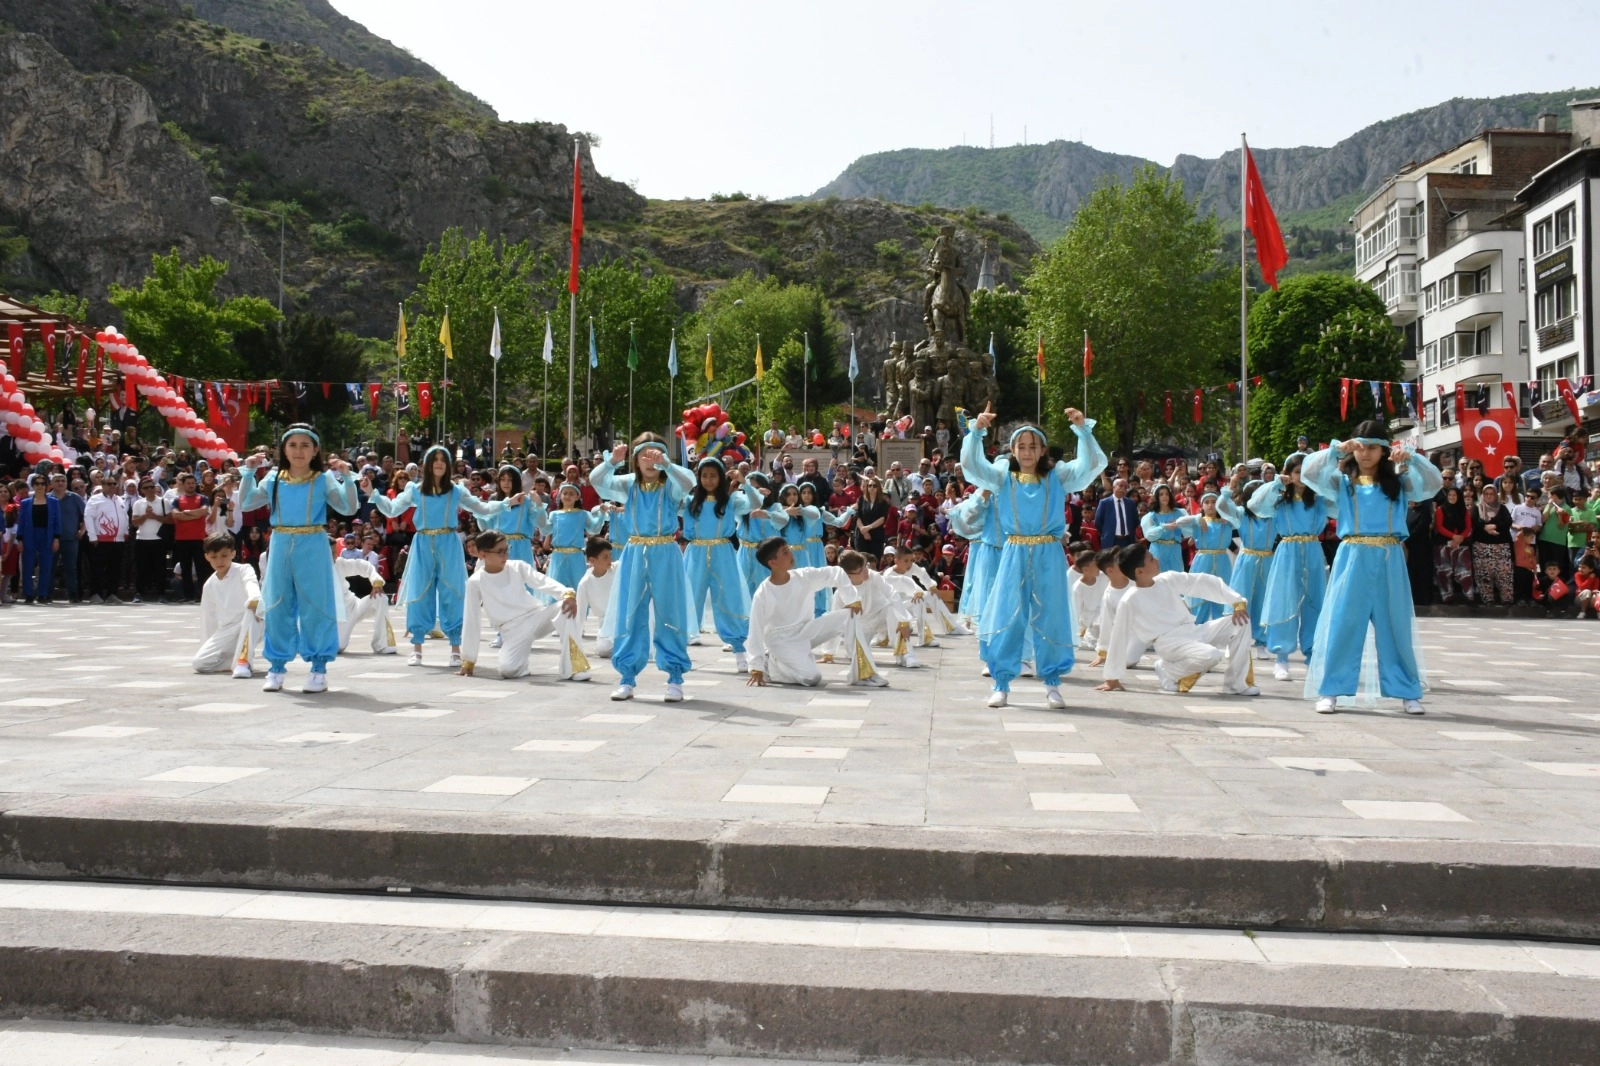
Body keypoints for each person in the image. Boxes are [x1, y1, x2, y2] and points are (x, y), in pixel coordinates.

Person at [962, 402, 1107, 709]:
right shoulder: (1002, 478)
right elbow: (974, 468)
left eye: (1033, 446)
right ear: (1013, 451)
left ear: (1043, 451)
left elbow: (1090, 465)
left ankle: (1053, 684)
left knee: (1051, 614)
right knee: (1007, 613)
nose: (1027, 452)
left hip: (1048, 553)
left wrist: (1082, 429)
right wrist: (976, 432)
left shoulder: (1058, 477)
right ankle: (1001, 683)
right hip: (1014, 550)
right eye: (1021, 446)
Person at [1299, 422, 1443, 715]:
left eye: (1373, 448)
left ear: (1384, 451)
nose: (1365, 454)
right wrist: (1336, 450)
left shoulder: (1400, 484)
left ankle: (1407, 692)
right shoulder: (1343, 482)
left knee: (1395, 625)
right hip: (1352, 556)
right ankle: (1331, 690)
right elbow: (1309, 473)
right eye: (1361, 447)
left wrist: (1412, 458)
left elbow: (1433, 483)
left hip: (1389, 557)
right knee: (1343, 624)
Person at [364, 445, 515, 669]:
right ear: (427, 464)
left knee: (452, 592)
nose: (438, 463)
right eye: (434, 459)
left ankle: (455, 648)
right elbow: (393, 509)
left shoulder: (456, 491)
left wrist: (506, 503)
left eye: (442, 459)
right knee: (420, 591)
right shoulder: (416, 490)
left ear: (448, 464)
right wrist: (372, 493)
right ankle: (417, 647)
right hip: (423, 543)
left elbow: (481, 508)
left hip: (449, 544)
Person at [237, 425, 360, 693]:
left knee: (316, 606)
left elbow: (348, 507)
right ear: (284, 449)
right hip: (280, 543)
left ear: (315, 449)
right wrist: (247, 472)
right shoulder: (274, 478)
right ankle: (277, 666)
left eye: (305, 445)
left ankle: (318, 669)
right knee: (278, 604)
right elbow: (246, 503)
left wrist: (347, 478)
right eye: (292, 445)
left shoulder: (322, 478)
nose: (299, 450)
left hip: (313, 544)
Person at [592, 433, 697, 702]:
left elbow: (689, 482)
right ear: (636, 461)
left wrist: (668, 465)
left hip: (666, 551)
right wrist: (611, 462)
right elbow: (597, 483)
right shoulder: (628, 485)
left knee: (669, 612)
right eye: (644, 456)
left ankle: (675, 678)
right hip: (635, 551)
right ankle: (627, 677)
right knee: (631, 613)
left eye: (656, 455)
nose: (650, 461)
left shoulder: (670, 485)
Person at [1096, 542, 1259, 696]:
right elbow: (1119, 636)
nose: (1157, 560)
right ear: (1139, 571)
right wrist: (1112, 678)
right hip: (1168, 642)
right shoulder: (1129, 600)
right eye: (1151, 559)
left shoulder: (1167, 579)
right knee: (1211, 655)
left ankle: (1236, 684)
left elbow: (1201, 581)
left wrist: (1236, 601)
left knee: (1240, 622)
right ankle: (1168, 671)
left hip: (1193, 631)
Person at [746, 539, 887, 688]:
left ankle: (863, 674)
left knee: (849, 616)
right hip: (780, 640)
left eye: (789, 549)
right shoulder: (763, 593)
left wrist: (852, 599)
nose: (791, 554)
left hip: (806, 630)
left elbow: (836, 572)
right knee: (811, 678)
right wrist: (756, 666)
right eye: (785, 553)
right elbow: (755, 630)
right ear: (772, 563)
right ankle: (772, 668)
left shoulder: (803, 576)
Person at [459, 530, 591, 681]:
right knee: (508, 670)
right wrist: (469, 660)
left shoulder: (518, 566)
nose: (505, 555)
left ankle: (575, 667)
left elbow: (542, 581)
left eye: (506, 549)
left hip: (536, 617)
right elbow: (471, 620)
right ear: (483, 554)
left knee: (566, 607)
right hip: (512, 630)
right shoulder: (475, 582)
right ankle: (521, 664)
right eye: (499, 552)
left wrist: (566, 593)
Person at [1250, 453, 1331, 683]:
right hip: (1287, 551)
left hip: (1314, 551)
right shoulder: (1279, 500)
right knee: (1283, 601)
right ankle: (1282, 657)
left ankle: (1313, 655)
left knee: (1314, 602)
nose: (1302, 477)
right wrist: (1276, 483)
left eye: (1307, 472)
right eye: (1297, 472)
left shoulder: (1319, 500)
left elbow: (1339, 501)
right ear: (1289, 473)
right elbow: (1255, 505)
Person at [681, 457, 758, 670]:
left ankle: (739, 650)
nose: (708, 480)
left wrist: (744, 481)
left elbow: (756, 503)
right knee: (690, 598)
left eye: (713, 475)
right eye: (704, 475)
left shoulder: (731, 501)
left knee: (729, 597)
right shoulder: (689, 502)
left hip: (723, 553)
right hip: (695, 552)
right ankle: (680, 650)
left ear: (721, 477)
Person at [192, 532, 261, 677]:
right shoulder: (209, 585)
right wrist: (207, 646)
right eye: (214, 557)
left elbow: (252, 585)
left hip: (252, 621)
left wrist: (254, 598)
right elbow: (208, 619)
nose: (219, 561)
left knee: (251, 607)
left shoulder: (244, 569)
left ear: (233, 553)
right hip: (227, 628)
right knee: (199, 663)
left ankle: (243, 662)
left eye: (224, 556)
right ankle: (235, 660)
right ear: (207, 557)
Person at [1170, 491, 1241, 623]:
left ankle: (1221, 625)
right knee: (1200, 592)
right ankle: (1198, 625)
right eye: (1206, 502)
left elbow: (1237, 518)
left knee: (1222, 590)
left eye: (1214, 502)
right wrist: (1198, 518)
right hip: (1203, 559)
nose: (1210, 505)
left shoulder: (1226, 522)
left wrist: (1226, 515)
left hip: (1222, 559)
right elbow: (1180, 521)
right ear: (1202, 506)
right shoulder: (1197, 521)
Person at [332, 539, 397, 655]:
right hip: (334, 617)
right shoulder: (311, 570)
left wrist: (375, 580)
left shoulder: (339, 563)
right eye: (330, 553)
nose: (334, 556)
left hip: (353, 606)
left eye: (334, 552)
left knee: (380, 598)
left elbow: (364, 565)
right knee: (337, 647)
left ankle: (381, 644)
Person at [540, 483, 604, 591]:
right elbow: (545, 530)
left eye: (571, 494)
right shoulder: (554, 515)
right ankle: (556, 607)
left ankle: (580, 606)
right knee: (556, 585)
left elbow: (593, 529)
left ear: (578, 496)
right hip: (558, 555)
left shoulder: (583, 514)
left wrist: (602, 514)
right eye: (565, 493)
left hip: (576, 556)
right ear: (560, 495)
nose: (567, 496)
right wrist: (539, 511)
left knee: (578, 585)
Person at [950, 488, 998, 628]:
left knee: (989, 582)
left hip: (994, 544)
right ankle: (968, 618)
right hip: (980, 545)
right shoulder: (980, 496)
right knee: (973, 581)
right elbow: (967, 522)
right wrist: (956, 516)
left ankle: (989, 617)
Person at [737, 473, 788, 596]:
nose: (756, 492)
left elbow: (784, 519)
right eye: (751, 488)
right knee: (743, 589)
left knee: (767, 589)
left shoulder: (774, 507)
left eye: (758, 487)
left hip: (765, 553)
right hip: (745, 552)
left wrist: (768, 515)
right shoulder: (742, 508)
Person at [84, 476, 129, 604]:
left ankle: (112, 593)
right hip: (100, 540)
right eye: (109, 484)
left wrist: (125, 532)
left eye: (114, 484)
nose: (112, 486)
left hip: (118, 540)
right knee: (97, 568)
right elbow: (88, 517)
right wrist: (92, 536)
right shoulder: (95, 499)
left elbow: (124, 516)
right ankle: (95, 594)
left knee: (114, 569)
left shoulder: (119, 499)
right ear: (103, 485)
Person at [17, 477, 60, 606]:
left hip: (47, 535)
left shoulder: (53, 502)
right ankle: (28, 594)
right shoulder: (26, 502)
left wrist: (56, 538)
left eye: (42, 484)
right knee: (27, 566)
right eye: (37, 484)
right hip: (29, 535)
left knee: (46, 566)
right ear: (33, 485)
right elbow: (22, 522)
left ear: (47, 486)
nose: (40, 486)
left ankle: (43, 594)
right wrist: (20, 539)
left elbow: (57, 521)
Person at [1470, 482, 1515, 607]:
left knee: (1504, 574)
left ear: (1496, 495)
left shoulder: (1502, 508)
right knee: (1484, 574)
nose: (1489, 496)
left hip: (1501, 546)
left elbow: (1508, 522)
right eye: (1486, 494)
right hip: (1481, 546)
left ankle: (1506, 599)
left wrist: (1495, 526)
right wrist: (1485, 528)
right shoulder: (1476, 508)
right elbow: (1473, 521)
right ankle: (1488, 599)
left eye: (1492, 494)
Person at [575, 537, 614, 658]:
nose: (610, 560)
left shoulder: (618, 569)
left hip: (626, 620)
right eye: (605, 557)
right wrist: (575, 643)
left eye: (610, 555)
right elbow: (580, 613)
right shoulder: (585, 583)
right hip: (606, 623)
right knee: (604, 650)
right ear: (592, 560)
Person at [1141, 484, 1186, 575]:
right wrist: (1163, 527)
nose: (1164, 496)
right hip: (1158, 549)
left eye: (1167, 494)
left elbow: (1190, 528)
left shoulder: (1180, 513)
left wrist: (1181, 523)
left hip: (1174, 549)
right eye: (1161, 494)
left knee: (1175, 576)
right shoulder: (1151, 516)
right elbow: (1149, 535)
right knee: (1158, 576)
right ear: (1157, 497)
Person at [1069, 550, 1105, 650]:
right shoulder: (1078, 587)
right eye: (1095, 564)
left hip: (1104, 611)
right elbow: (1075, 612)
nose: (1099, 566)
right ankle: (1089, 634)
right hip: (1089, 617)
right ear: (1085, 569)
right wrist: (1074, 635)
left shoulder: (1103, 577)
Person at [1094, 477, 1139, 550]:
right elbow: (1098, 522)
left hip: (1127, 540)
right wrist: (1107, 532)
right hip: (1111, 540)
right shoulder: (1104, 503)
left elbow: (1135, 521)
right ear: (1113, 487)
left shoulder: (1130, 503)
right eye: (1120, 486)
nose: (1123, 488)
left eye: (1125, 487)